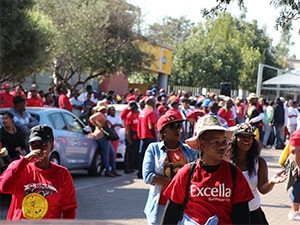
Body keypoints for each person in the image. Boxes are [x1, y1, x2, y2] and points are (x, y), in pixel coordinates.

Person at [162, 115, 254, 225]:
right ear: (201, 144)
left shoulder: (235, 174)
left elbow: (242, 215)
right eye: (216, 142)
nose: (222, 146)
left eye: (224, 141)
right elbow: (171, 213)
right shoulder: (186, 173)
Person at [0, 125, 78, 220]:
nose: (39, 150)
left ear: (52, 146)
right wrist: (25, 160)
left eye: (43, 145)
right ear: (29, 147)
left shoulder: (62, 173)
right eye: (34, 145)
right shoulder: (17, 167)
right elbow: (4, 188)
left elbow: (69, 208)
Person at [143, 113, 197, 225]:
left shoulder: (189, 150)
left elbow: (195, 176)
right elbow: (148, 177)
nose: (177, 130)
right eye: (172, 127)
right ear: (163, 131)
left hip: (184, 204)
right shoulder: (153, 149)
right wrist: (177, 183)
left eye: (179, 126)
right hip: (161, 204)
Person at [230, 123, 287, 224]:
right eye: (242, 136)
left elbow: (262, 189)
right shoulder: (227, 163)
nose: (246, 140)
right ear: (234, 139)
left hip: (254, 213)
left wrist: (272, 182)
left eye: (249, 137)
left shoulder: (259, 162)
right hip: (232, 213)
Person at [89, 100, 121, 177]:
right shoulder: (99, 114)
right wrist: (98, 126)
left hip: (104, 135)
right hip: (101, 135)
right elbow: (91, 119)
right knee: (106, 153)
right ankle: (108, 170)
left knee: (111, 153)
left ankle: (113, 169)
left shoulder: (102, 115)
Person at [137, 96, 158, 178]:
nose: (154, 104)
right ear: (150, 103)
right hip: (149, 136)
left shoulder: (142, 111)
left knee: (141, 155)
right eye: (153, 102)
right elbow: (150, 126)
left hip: (142, 136)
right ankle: (147, 173)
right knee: (150, 156)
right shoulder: (150, 112)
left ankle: (140, 172)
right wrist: (154, 135)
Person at [284, 129, 300, 221]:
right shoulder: (297, 134)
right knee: (297, 187)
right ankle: (294, 211)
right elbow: (295, 151)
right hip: (296, 164)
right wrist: (299, 166)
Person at [124, 101, 140, 174]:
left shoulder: (138, 114)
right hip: (131, 134)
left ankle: (133, 167)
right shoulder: (129, 115)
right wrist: (129, 138)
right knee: (129, 153)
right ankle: (127, 168)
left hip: (137, 135)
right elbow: (127, 128)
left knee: (135, 152)